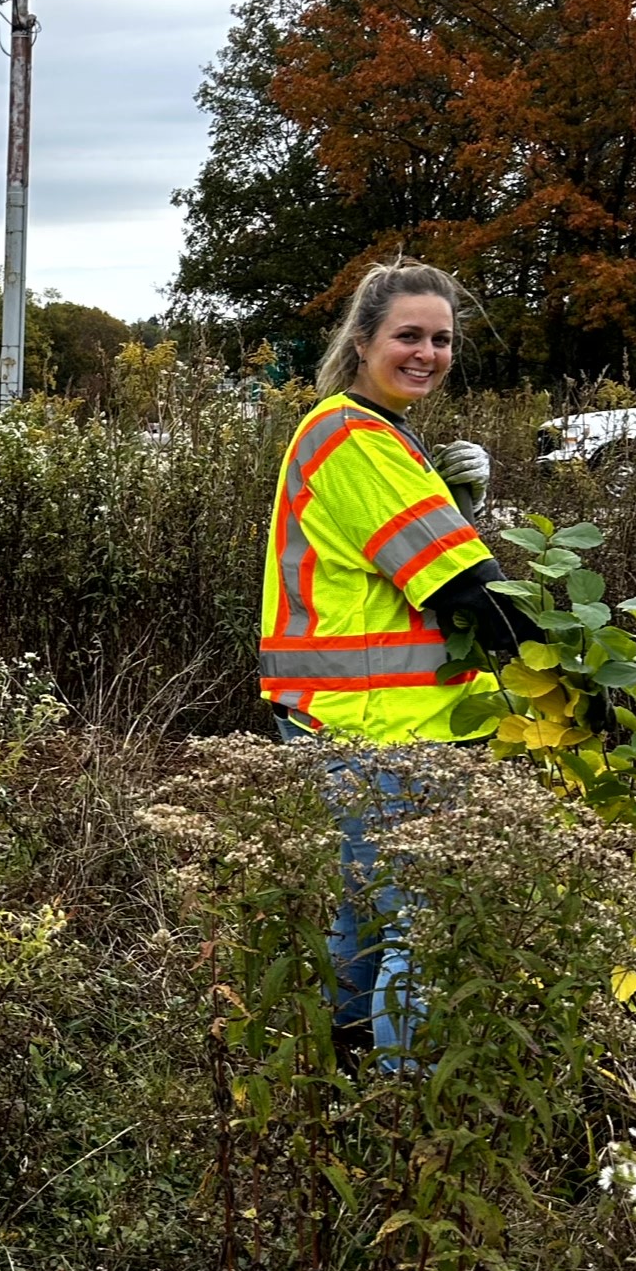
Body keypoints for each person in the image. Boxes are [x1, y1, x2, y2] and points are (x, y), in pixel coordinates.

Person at [259, 260, 535, 1061]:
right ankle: (404, 1108)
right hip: (383, 726)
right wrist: (582, 680)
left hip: (351, 723)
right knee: (424, 926)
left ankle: (346, 1086)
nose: (427, 352)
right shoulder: (351, 437)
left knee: (366, 918)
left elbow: (387, 568)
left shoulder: (376, 436)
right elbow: (471, 593)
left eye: (442, 339)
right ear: (362, 341)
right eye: (407, 336)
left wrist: (455, 503)